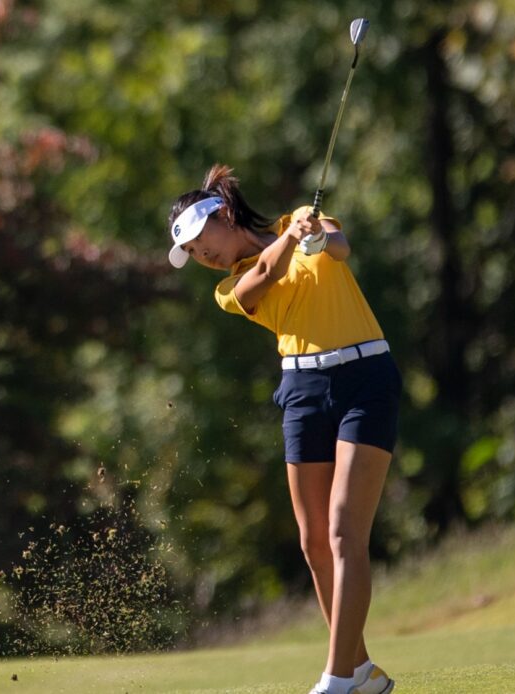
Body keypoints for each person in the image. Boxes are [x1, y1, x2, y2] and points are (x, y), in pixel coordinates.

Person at [167, 164, 400, 694]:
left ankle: (338, 679)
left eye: (204, 243)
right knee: (314, 540)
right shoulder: (229, 289)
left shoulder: (301, 219)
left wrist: (315, 233)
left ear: (224, 215)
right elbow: (265, 277)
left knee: (344, 530)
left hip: (366, 377)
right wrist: (292, 242)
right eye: (196, 256)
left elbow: (339, 248)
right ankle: (362, 670)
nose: (206, 259)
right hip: (301, 392)